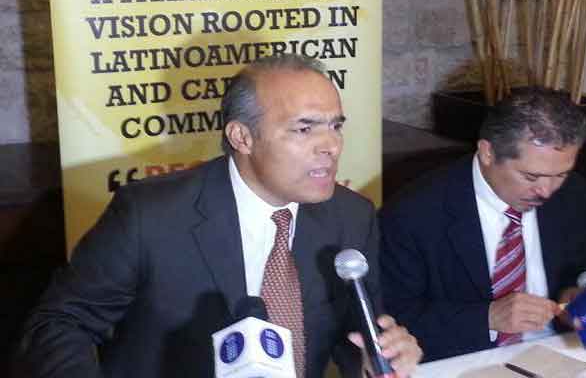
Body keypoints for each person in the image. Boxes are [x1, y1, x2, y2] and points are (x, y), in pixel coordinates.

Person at [16, 54, 421, 378]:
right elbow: (58, 324)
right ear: (242, 137)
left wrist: (373, 359)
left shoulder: (351, 217)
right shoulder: (149, 216)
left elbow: (352, 333)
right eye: (304, 129)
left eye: (335, 126)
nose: (331, 145)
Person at [379, 87, 586, 362]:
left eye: (561, 175)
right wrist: (487, 318)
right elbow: (395, 317)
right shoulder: (413, 214)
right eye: (531, 176)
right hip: (461, 361)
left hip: (557, 350)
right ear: (487, 152)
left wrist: (579, 296)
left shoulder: (575, 195)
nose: (546, 191)